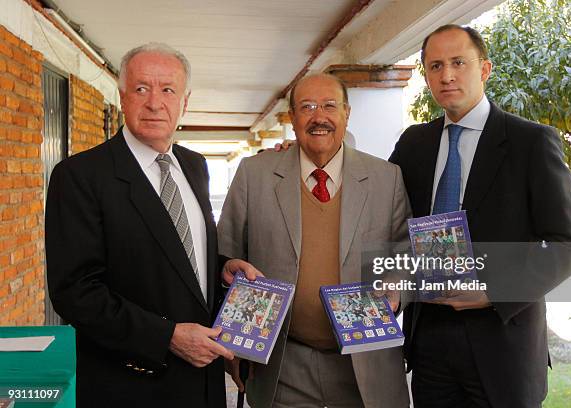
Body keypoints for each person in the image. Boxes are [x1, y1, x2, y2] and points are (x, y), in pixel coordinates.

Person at [45, 42, 255, 408]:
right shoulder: (80, 176)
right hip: (131, 384)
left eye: (168, 90)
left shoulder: (194, 166)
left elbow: (173, 252)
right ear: (123, 97)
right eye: (142, 88)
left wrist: (220, 267)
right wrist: (167, 336)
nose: (155, 102)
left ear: (184, 102)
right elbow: (74, 292)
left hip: (203, 384)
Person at [389, 25, 571, 407]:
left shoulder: (531, 141)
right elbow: (379, 207)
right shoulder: (413, 143)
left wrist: (494, 291)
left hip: (504, 344)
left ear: (484, 69)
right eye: (435, 66)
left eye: (458, 63)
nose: (446, 75)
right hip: (429, 342)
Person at [218, 74, 412, 408]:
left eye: (329, 106)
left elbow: (406, 256)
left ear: (347, 113)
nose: (318, 116)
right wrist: (227, 270)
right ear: (292, 117)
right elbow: (225, 255)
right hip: (282, 366)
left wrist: (398, 290)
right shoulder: (254, 175)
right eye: (307, 107)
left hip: (364, 364)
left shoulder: (386, 178)